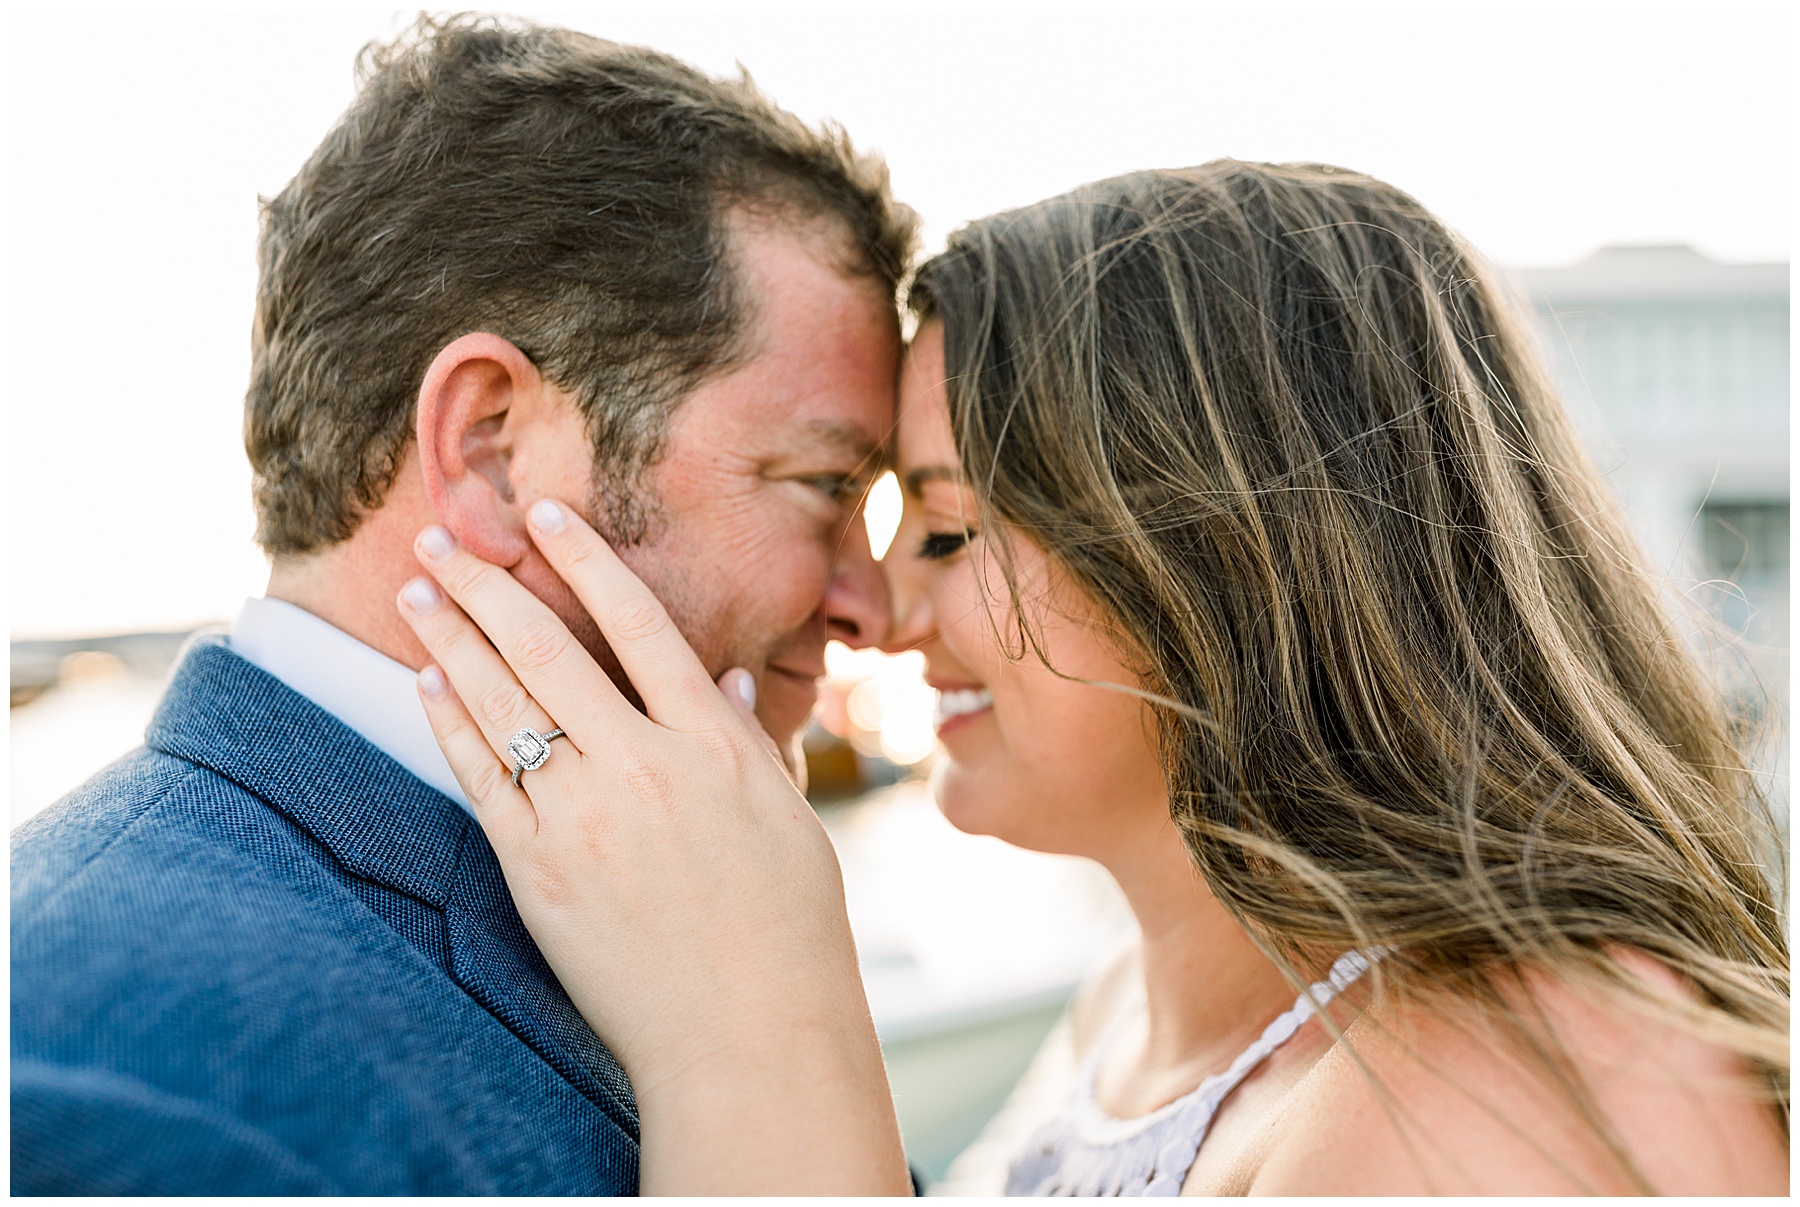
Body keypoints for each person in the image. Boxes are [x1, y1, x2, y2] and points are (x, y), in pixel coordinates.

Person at [398, 161, 1789, 1194]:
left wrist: (757, 1020)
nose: (875, 608)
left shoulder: (1534, 1085)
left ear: (1229, 555)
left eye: (949, 528)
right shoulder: (1132, 1007)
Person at [10, 14, 916, 1195]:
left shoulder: (704, 901)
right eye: (827, 483)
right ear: (492, 450)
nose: (870, 605)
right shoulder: (96, 1086)